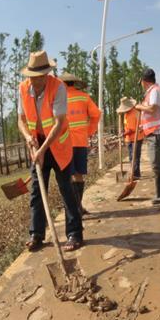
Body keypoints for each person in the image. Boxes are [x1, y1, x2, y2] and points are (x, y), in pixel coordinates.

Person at [17, 51, 83, 252]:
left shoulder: (58, 87)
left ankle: (74, 234)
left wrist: (44, 149)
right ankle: (36, 234)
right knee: (37, 190)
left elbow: (59, 122)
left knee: (67, 189)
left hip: (58, 145)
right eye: (32, 77)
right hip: (37, 144)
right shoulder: (22, 88)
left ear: (47, 74)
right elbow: (20, 120)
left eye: (39, 77)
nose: (35, 81)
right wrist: (29, 139)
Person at [60, 72, 100, 216]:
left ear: (63, 84)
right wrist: (88, 131)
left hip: (64, 144)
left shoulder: (59, 100)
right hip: (80, 142)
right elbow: (96, 115)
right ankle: (78, 206)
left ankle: (74, 208)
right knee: (78, 175)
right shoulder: (84, 97)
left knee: (67, 176)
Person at [134, 68, 160, 205]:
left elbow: (152, 109)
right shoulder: (151, 92)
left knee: (156, 165)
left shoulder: (155, 91)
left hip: (157, 134)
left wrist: (138, 106)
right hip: (154, 132)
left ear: (144, 81)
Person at [117, 97, 141, 179]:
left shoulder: (133, 114)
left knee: (135, 156)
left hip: (136, 137)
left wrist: (123, 134)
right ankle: (134, 172)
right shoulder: (127, 114)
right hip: (130, 138)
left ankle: (136, 174)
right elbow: (127, 127)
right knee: (131, 156)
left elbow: (132, 129)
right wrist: (123, 132)